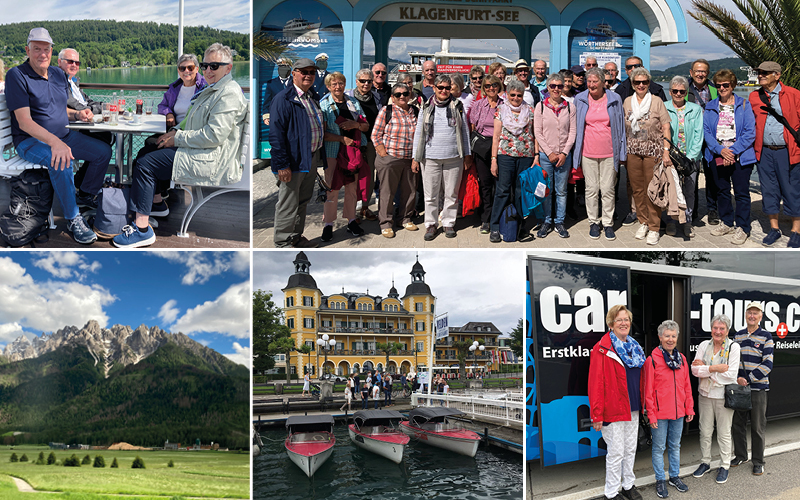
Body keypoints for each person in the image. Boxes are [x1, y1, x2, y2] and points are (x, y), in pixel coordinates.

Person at [113, 43, 247, 248]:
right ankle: (156, 203)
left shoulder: (227, 93)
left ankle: (141, 230)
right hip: (201, 149)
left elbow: (214, 135)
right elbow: (192, 118)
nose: (208, 70)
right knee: (147, 150)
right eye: (206, 65)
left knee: (146, 164)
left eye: (214, 66)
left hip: (211, 158)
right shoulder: (215, 88)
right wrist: (174, 132)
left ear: (228, 67)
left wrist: (177, 138)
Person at [5, 27, 111, 244]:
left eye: (46, 49)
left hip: (64, 136)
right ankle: (73, 218)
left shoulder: (57, 74)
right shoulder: (17, 75)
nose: (42, 54)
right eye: (37, 49)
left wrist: (78, 114)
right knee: (61, 160)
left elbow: (60, 110)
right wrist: (54, 142)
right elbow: (24, 122)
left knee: (103, 152)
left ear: (52, 51)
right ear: (27, 50)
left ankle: (84, 195)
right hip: (29, 141)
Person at [588, 305, 646, 500]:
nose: (623, 323)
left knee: (630, 449)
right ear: (611, 324)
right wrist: (596, 414)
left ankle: (628, 485)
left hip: (633, 408)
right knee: (616, 452)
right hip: (612, 410)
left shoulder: (635, 347)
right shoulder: (602, 349)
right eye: (619, 319)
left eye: (626, 319)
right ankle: (611, 493)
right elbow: (595, 384)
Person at [137, 53, 206, 206]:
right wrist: (168, 113)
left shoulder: (205, 86)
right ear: (178, 70)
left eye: (190, 67)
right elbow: (162, 105)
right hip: (174, 128)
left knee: (152, 149)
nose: (186, 71)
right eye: (182, 68)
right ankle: (160, 190)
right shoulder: (175, 87)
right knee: (150, 142)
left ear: (197, 68)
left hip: (189, 132)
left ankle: (157, 195)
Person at [270, 58, 323, 248]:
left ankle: (296, 236)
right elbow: (276, 135)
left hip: (309, 157)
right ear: (294, 73)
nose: (308, 75)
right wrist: (283, 165)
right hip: (292, 161)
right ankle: (283, 241)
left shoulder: (311, 97)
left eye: (312, 72)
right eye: (304, 72)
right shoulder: (283, 99)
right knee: (288, 203)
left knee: (303, 200)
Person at [412, 74, 472, 241]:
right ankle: (431, 224)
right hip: (430, 157)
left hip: (454, 157)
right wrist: (415, 158)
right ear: (435, 88)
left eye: (447, 88)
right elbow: (419, 132)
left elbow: (465, 132)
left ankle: (448, 222)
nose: (444, 91)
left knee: (451, 193)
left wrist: (467, 155)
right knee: (431, 194)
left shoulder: (458, 105)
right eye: (441, 88)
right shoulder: (425, 107)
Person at [641, 320, 694, 498]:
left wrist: (690, 408)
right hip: (660, 414)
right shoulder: (652, 360)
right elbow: (648, 391)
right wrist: (651, 416)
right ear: (660, 337)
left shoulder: (682, 359)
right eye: (667, 336)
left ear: (677, 337)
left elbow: (687, 386)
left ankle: (674, 476)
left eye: (673, 336)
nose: (670, 339)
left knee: (675, 445)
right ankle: (660, 480)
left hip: (678, 412)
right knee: (658, 447)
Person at [749, 61, 800, 247]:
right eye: (759, 72)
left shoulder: (794, 95)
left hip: (788, 152)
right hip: (764, 152)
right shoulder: (754, 97)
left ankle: (796, 230)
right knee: (768, 190)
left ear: (777, 75)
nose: (760, 75)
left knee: (792, 189)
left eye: (765, 73)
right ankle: (774, 229)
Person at [704, 68, 756, 245]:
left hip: (740, 156)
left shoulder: (744, 105)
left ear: (732, 85)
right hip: (718, 155)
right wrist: (720, 150)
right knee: (722, 191)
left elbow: (750, 132)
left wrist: (732, 151)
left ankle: (743, 227)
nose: (722, 88)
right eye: (718, 85)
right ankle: (726, 222)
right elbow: (707, 132)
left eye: (725, 85)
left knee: (741, 193)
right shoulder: (710, 106)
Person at [573, 67, 626, 241]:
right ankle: (594, 222)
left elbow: (621, 128)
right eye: (589, 81)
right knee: (591, 189)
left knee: (608, 189)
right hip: (587, 152)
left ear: (604, 82)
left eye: (595, 81)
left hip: (610, 152)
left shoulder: (615, 99)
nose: (591, 84)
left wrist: (622, 153)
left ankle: (608, 223)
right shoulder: (579, 99)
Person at [623, 66, 672, 245]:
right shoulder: (627, 102)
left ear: (649, 83)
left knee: (652, 190)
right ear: (633, 83)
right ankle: (643, 221)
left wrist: (666, 151)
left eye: (644, 82)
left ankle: (654, 227)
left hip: (653, 151)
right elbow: (623, 127)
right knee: (637, 190)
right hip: (633, 152)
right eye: (637, 82)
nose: (641, 85)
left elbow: (666, 127)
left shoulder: (657, 101)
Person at [691, 314, 741, 484]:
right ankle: (705, 462)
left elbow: (731, 375)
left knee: (724, 433)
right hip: (705, 395)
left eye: (722, 328)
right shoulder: (704, 345)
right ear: (711, 329)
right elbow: (694, 370)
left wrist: (707, 371)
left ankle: (724, 465)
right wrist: (715, 368)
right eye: (715, 328)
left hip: (723, 397)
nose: (718, 331)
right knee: (704, 431)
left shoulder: (733, 348)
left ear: (727, 331)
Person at [318, 72, 367, 243]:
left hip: (351, 154)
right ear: (328, 86)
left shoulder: (353, 102)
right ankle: (328, 224)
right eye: (334, 84)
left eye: (341, 83)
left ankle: (351, 220)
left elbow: (366, 126)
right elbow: (321, 134)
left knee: (352, 189)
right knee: (331, 189)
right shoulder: (323, 105)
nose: (338, 87)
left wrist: (356, 125)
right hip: (333, 152)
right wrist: (341, 138)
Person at [56, 47, 114, 191]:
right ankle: (86, 192)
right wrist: (97, 109)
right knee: (104, 148)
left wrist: (105, 106)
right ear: (59, 62)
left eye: (77, 62)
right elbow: (77, 106)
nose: (74, 65)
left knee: (106, 136)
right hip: (68, 130)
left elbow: (87, 102)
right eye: (70, 61)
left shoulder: (72, 82)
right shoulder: (59, 82)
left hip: (79, 125)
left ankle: (82, 180)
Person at [489, 79, 537, 243]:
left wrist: (536, 155)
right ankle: (494, 226)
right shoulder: (500, 110)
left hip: (526, 156)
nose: (516, 98)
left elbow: (535, 134)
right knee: (502, 191)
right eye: (513, 95)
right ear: (507, 95)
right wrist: (493, 160)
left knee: (520, 193)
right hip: (505, 156)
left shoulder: (530, 110)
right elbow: (496, 137)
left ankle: (520, 226)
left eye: (519, 95)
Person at [731, 302, 774, 476]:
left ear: (760, 316)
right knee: (737, 424)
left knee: (757, 427)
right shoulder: (738, 336)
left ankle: (758, 461)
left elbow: (768, 364)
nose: (752, 316)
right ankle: (741, 455)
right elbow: (732, 361)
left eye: (755, 313)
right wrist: (736, 379)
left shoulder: (766, 336)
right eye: (749, 312)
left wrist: (747, 379)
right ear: (745, 314)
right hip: (740, 388)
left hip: (758, 389)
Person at [372, 82, 419, 238]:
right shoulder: (387, 110)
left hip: (409, 159)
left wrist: (416, 157)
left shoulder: (415, 112)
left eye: (405, 94)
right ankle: (385, 223)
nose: (402, 97)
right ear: (392, 97)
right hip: (390, 158)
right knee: (387, 192)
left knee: (409, 191)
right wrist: (383, 153)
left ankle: (405, 219)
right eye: (398, 94)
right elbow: (376, 134)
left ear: (409, 95)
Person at [534, 73, 576, 239]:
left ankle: (559, 221)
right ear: (548, 88)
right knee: (546, 190)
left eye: (560, 86)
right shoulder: (541, 107)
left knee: (561, 191)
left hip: (564, 156)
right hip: (546, 155)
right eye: (553, 86)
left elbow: (572, 131)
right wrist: (549, 152)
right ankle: (546, 220)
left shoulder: (570, 107)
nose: (557, 89)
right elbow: (537, 132)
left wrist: (564, 152)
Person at [665, 76, 704, 238]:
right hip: (671, 157)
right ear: (670, 92)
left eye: (682, 91)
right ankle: (671, 221)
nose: (679, 94)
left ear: (687, 92)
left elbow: (698, 134)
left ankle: (687, 221)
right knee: (671, 191)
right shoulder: (664, 107)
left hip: (690, 158)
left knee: (689, 190)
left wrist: (692, 157)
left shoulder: (694, 109)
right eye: (675, 91)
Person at [468, 74, 503, 235]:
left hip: (501, 147)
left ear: (499, 86)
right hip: (482, 147)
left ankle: (498, 216)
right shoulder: (478, 105)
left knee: (500, 185)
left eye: (494, 85)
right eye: (487, 86)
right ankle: (486, 218)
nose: (491, 88)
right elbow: (473, 126)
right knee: (485, 184)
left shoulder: (505, 105)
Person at [346, 69, 383, 222]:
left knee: (369, 176)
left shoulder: (376, 97)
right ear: (356, 82)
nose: (366, 84)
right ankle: (352, 211)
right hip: (353, 143)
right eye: (363, 81)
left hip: (371, 142)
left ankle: (365, 208)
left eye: (369, 81)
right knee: (353, 177)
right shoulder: (349, 97)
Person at [686, 59, 719, 225]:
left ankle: (712, 209)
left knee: (712, 175)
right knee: (691, 174)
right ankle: (692, 211)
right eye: (697, 71)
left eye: (703, 71)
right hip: (692, 138)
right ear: (691, 72)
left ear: (708, 73)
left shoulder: (714, 89)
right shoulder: (684, 88)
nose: (700, 74)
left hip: (711, 138)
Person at [261, 57, 291, 126]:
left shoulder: (295, 82)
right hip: (276, 117)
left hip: (292, 118)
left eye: (285, 67)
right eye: (281, 67)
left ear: (289, 69)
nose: (283, 70)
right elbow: (267, 102)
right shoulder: (271, 83)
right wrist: (266, 117)